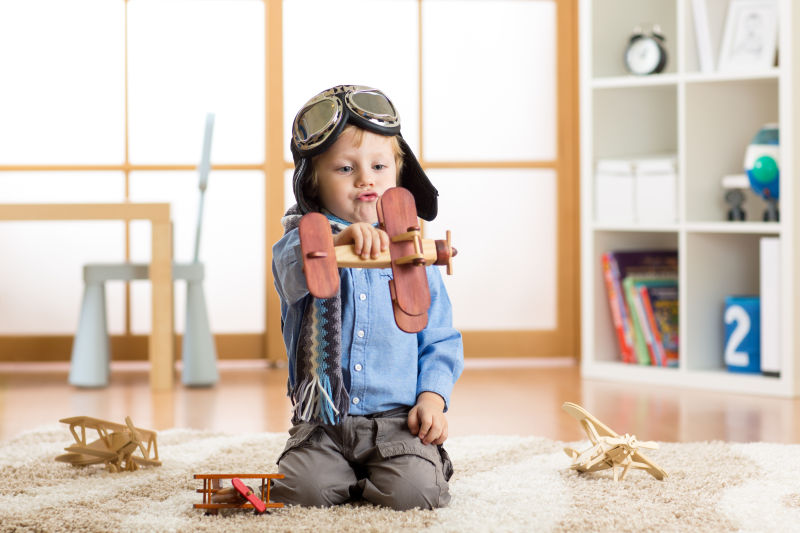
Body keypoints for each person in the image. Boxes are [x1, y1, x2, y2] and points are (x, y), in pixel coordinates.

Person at [270, 85, 464, 510]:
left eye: (379, 165)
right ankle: (343, 475)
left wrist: (432, 397)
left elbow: (441, 338)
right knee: (303, 491)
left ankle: (401, 469)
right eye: (344, 169)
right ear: (313, 183)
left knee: (416, 492)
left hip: (397, 423)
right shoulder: (299, 243)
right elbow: (289, 271)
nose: (366, 179)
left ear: (397, 173)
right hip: (323, 422)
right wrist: (336, 240)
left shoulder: (415, 251)